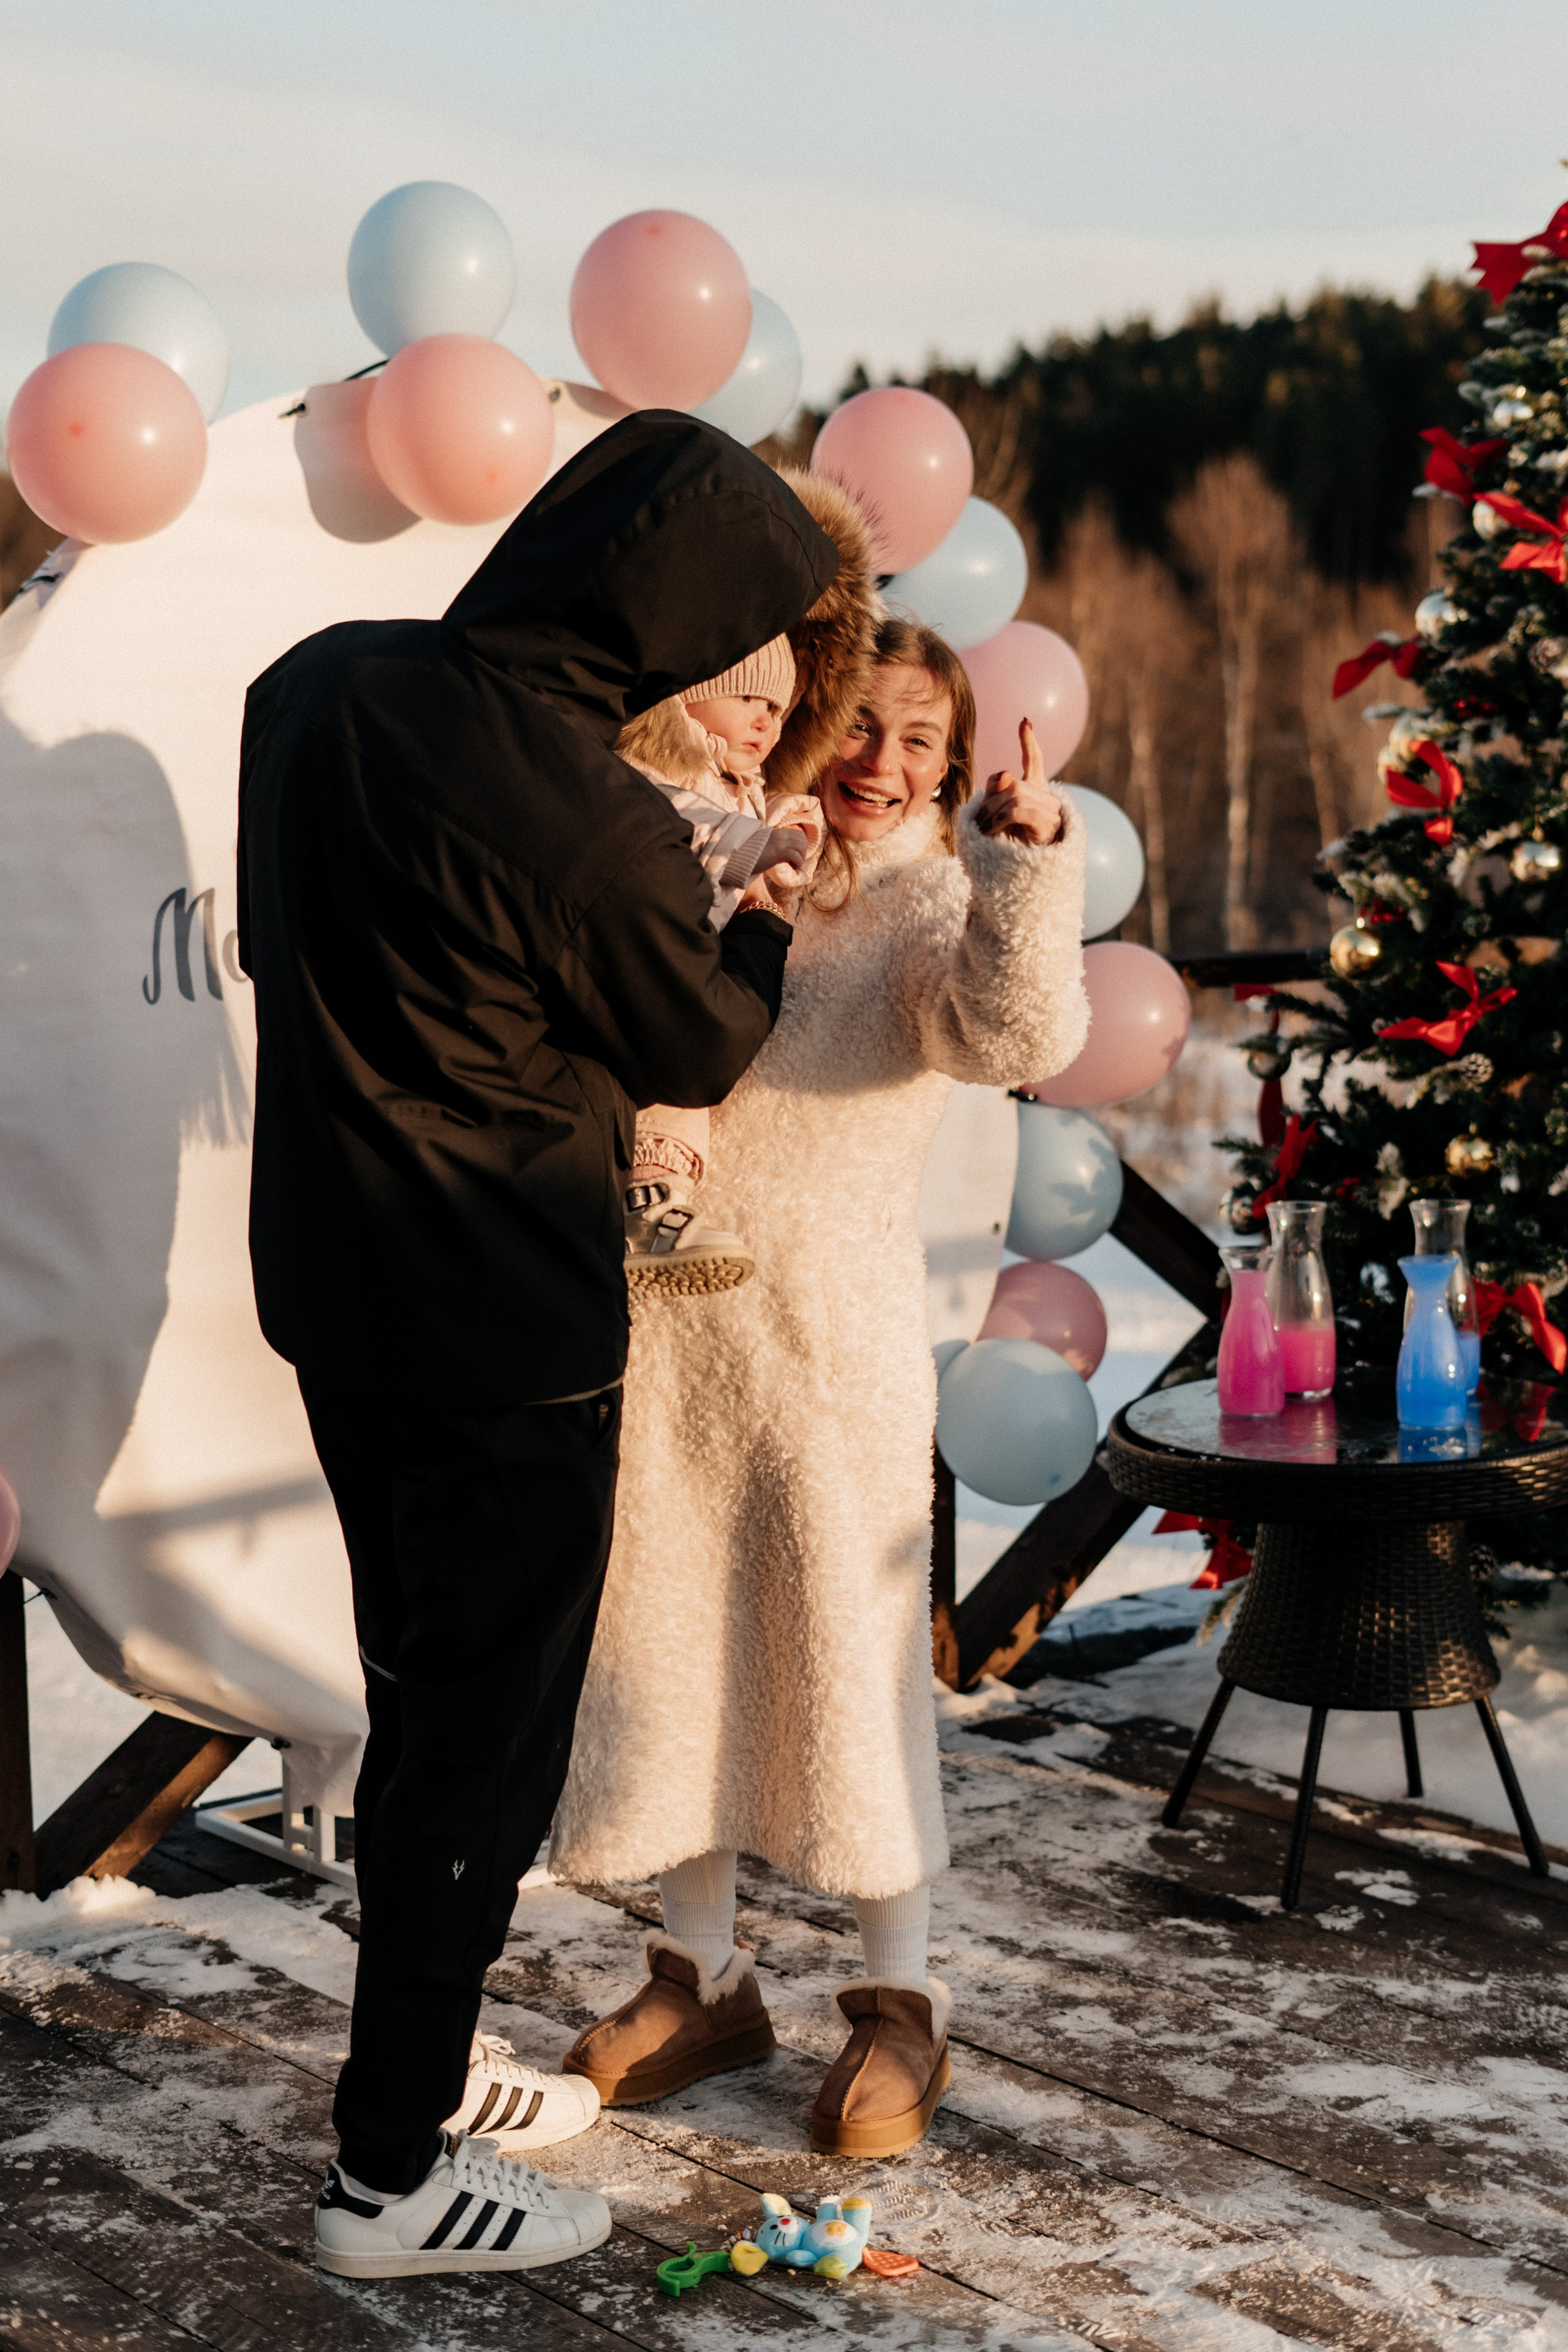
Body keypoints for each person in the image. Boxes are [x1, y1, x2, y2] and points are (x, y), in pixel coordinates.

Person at [236, 415, 872, 2277]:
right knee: (479, 1749)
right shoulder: (583, 807)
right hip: (503, 1318)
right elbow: (688, 1046)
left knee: (420, 1686)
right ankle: (387, 2179)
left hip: (334, 1282)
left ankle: (414, 2075)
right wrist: (743, 917)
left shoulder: (321, 685)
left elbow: (310, 941)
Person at [549, 616, 1089, 2160]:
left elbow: (1014, 1029)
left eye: (921, 739)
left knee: (850, 1671)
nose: (883, 762)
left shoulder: (933, 899)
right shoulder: (723, 848)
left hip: (828, 1347)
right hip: (666, 1331)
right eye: (859, 724)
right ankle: (703, 1974)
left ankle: (897, 1996)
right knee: (668, 1652)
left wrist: (1022, 868)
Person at [617, 631, 833, 1292]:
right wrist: (755, 842)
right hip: (648, 959)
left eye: (778, 709)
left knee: (684, 1089)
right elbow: (677, 822)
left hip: (695, 958)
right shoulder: (658, 764)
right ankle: (646, 1208)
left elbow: (748, 863)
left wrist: (787, 838)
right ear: (689, 699)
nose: (767, 722)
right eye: (746, 699)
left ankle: (662, 1200)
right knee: (661, 1093)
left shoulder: (737, 782)